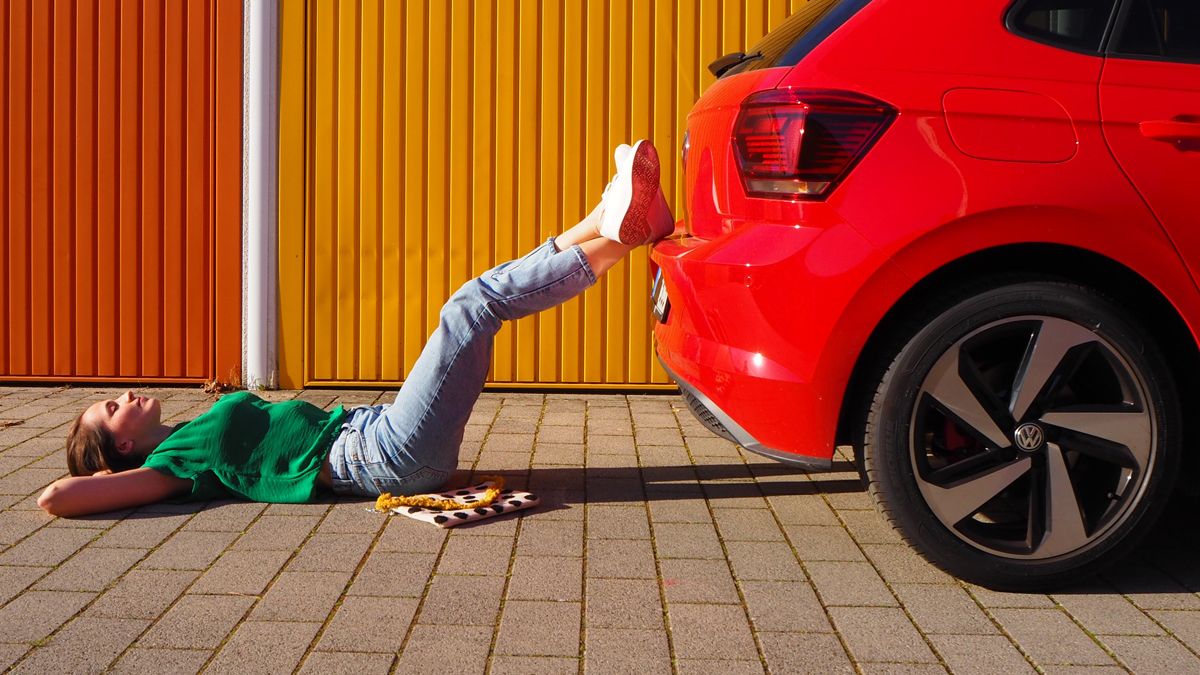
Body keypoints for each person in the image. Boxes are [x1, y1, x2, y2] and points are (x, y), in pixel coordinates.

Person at [38, 140, 672, 518]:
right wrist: (105, 483)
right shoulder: (174, 463)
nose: (123, 396)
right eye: (111, 409)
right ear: (121, 448)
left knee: (478, 288)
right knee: (470, 306)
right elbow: (56, 500)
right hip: (386, 457)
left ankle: (610, 213)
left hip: (374, 431)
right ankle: (623, 234)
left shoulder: (186, 435)